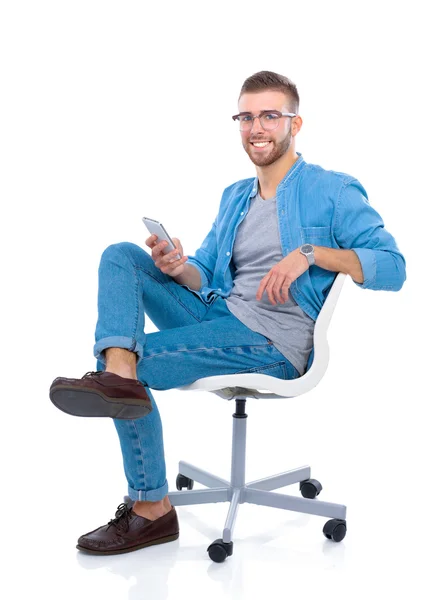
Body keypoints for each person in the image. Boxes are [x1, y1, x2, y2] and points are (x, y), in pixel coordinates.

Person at [49, 71, 406, 555]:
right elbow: (206, 276)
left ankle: (151, 507)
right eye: (246, 116)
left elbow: (393, 266)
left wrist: (310, 253)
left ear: (294, 124)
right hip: (222, 319)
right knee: (121, 256)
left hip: (274, 345)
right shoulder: (235, 195)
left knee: (137, 367)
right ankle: (118, 376)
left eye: (269, 116)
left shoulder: (333, 190)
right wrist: (177, 267)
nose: (256, 127)